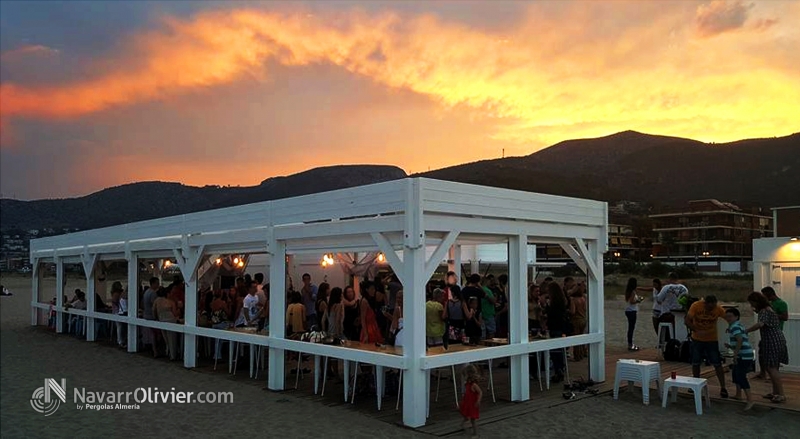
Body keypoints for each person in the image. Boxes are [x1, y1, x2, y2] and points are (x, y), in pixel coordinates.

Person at [746, 292, 788, 403]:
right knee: (774, 367)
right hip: (777, 339)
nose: (752, 306)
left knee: (771, 368)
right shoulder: (769, 308)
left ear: (756, 301)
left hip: (772, 340)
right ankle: (775, 392)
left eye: (752, 303)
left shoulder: (764, 311)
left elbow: (761, 324)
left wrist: (746, 331)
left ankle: (781, 395)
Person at [686, 295, 729, 398]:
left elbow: (728, 317)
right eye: (709, 307)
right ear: (705, 303)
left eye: (712, 307)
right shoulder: (696, 306)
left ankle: (723, 387)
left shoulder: (718, 309)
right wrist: (696, 330)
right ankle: (695, 384)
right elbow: (687, 320)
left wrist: (733, 327)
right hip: (697, 339)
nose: (711, 309)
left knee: (717, 363)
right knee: (695, 362)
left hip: (711, 340)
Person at [755, 286, 789, 379]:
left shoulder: (781, 303)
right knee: (761, 352)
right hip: (766, 333)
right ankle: (763, 373)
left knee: (775, 356)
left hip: (775, 332)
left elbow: (785, 317)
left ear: (769, 294)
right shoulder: (768, 304)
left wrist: (772, 314)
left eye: (764, 295)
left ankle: (774, 375)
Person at [725, 308, 755, 411]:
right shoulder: (738, 326)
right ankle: (738, 394)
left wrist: (735, 354)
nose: (728, 318)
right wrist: (730, 346)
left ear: (736, 317)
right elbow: (740, 341)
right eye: (727, 316)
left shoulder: (735, 327)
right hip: (744, 354)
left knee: (741, 376)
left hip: (744, 356)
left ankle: (750, 400)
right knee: (736, 374)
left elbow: (740, 340)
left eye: (730, 316)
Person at [546, 282, 567, 382]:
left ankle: (558, 370)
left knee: (555, 351)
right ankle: (560, 369)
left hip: (555, 328)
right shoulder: (562, 301)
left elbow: (551, 315)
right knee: (559, 351)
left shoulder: (554, 304)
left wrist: (546, 307)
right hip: (561, 327)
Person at [153, 287, 180, 360]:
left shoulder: (157, 301)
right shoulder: (171, 302)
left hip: (162, 320)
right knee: (172, 339)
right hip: (171, 321)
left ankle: (168, 352)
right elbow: (175, 313)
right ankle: (173, 355)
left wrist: (156, 318)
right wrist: (179, 308)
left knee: (166, 339)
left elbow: (154, 311)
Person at [623, 278, 650, 351]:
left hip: (628, 310)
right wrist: (639, 300)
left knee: (630, 328)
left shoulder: (628, 291)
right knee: (631, 328)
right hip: (632, 311)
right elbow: (632, 301)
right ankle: (630, 344)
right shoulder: (632, 292)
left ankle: (630, 343)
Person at [460, 363, 483, 438]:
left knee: (473, 420)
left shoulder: (474, 385)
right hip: (467, 402)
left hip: (473, 404)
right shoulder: (467, 383)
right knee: (461, 409)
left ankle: (476, 433)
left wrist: (478, 401)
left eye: (465, 375)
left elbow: (480, 392)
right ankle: (465, 419)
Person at [142, 277, 160, 357]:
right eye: (157, 283)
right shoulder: (153, 293)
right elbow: (155, 306)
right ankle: (155, 350)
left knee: (149, 333)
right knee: (154, 334)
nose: (158, 285)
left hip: (146, 314)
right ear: (153, 283)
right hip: (151, 316)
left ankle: (150, 347)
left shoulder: (146, 292)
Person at [570, 281, 588, 361]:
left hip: (576, 320)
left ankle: (577, 356)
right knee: (581, 338)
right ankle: (582, 353)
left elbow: (573, 311)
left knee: (576, 339)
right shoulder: (583, 299)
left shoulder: (573, 300)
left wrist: (568, 311)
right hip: (583, 319)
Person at [494, 274, 509, 338]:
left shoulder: (506, 290)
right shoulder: (506, 289)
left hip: (504, 314)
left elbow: (507, 305)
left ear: (501, 282)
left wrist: (498, 313)